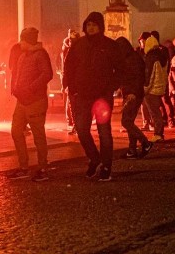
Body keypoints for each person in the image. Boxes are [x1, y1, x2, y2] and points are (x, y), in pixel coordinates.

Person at [63, 11, 121, 182]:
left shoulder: (110, 45)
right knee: (81, 129)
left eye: (94, 25)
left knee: (104, 132)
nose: (91, 28)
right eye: (88, 25)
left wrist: (110, 88)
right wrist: (71, 88)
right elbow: (69, 67)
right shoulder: (78, 45)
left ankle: (106, 166)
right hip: (82, 95)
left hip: (102, 96)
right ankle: (94, 158)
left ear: (100, 27)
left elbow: (120, 69)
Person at [8, 27, 54, 181]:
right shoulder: (23, 56)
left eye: (22, 39)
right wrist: (15, 87)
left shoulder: (40, 55)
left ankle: (43, 168)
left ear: (28, 41)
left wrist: (30, 88)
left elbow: (47, 74)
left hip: (36, 101)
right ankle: (23, 167)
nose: (20, 42)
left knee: (38, 135)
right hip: (21, 101)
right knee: (16, 131)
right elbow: (18, 74)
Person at [115, 37, 152, 158]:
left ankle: (145, 143)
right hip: (132, 93)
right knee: (129, 121)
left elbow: (137, 78)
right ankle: (132, 150)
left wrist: (133, 93)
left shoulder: (131, 60)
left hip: (133, 94)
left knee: (125, 121)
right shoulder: (132, 57)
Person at [143, 35, 168, 141]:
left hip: (152, 89)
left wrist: (145, 88)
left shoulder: (151, 57)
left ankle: (158, 134)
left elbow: (149, 75)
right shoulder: (162, 56)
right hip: (160, 88)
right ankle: (159, 133)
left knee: (154, 113)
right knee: (157, 111)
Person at [60, 28, 80, 134]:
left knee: (76, 105)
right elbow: (66, 68)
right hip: (73, 82)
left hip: (78, 82)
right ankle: (76, 124)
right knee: (73, 104)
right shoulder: (67, 50)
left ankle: (77, 124)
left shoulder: (70, 50)